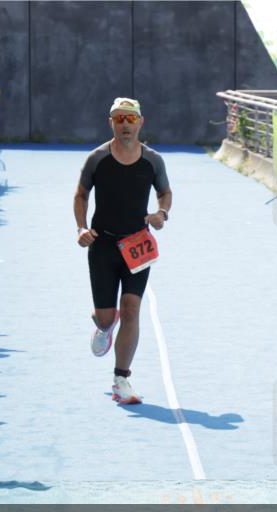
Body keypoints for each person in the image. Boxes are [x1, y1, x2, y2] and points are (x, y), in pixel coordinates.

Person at [73, 98, 172, 404]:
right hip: (102, 245)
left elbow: (165, 192)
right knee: (106, 317)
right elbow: (81, 194)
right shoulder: (97, 158)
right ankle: (105, 326)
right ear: (111, 123)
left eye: (131, 119)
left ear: (141, 122)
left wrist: (161, 214)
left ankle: (121, 379)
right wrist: (80, 228)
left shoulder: (153, 160)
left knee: (131, 308)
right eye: (120, 119)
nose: (125, 125)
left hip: (137, 246)